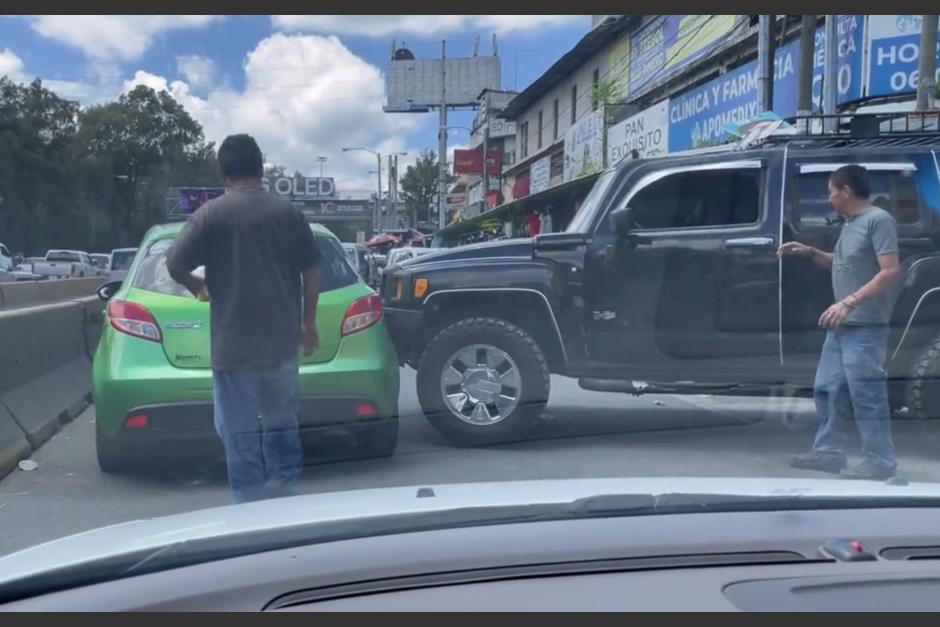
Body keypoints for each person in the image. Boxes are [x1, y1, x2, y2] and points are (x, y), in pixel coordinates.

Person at [167, 134, 322, 503]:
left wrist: (197, 285)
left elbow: (174, 262)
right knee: (282, 429)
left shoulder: (210, 215)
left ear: (223, 171)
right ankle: (287, 505)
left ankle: (249, 513)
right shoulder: (288, 213)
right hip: (281, 346)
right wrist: (309, 322)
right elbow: (312, 272)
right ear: (261, 167)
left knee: (238, 438)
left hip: (232, 349)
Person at [779, 164, 902, 480]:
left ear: (846, 191)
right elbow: (844, 264)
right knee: (826, 388)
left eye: (831, 191)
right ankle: (829, 453)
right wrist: (808, 252)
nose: (829, 198)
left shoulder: (878, 220)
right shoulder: (851, 224)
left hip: (864, 324)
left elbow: (889, 271)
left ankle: (881, 461)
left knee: (866, 393)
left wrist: (849, 302)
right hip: (841, 325)